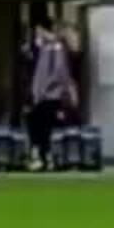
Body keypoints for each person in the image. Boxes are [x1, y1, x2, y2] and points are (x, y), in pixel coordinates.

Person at [26, 18, 78, 170]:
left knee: (44, 126)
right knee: (39, 124)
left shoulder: (54, 47)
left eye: (38, 31)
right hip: (42, 95)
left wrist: (46, 90)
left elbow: (58, 71)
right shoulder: (43, 48)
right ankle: (43, 156)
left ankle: (46, 157)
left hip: (50, 95)